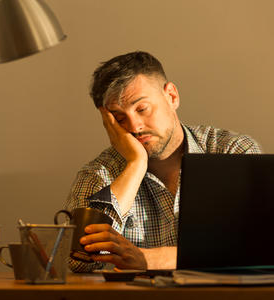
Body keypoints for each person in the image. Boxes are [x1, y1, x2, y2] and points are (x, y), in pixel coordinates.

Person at [64, 51, 262, 272]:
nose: (134, 126)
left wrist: (146, 259)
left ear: (172, 96)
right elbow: (80, 261)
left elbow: (256, 248)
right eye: (120, 118)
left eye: (142, 109)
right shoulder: (99, 174)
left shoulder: (232, 152)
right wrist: (136, 165)